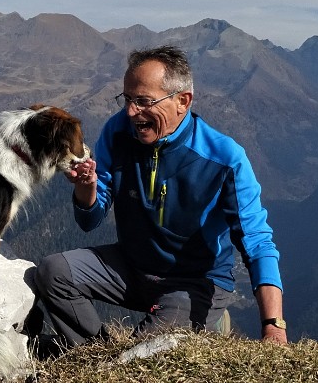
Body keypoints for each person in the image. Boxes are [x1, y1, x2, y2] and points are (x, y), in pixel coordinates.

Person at [32, 45, 287, 349]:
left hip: (193, 281)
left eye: (143, 101)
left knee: (148, 351)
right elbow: (90, 220)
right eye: (127, 99)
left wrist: (273, 325)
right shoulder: (118, 132)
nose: (130, 112)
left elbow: (256, 241)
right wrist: (86, 187)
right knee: (53, 272)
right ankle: (94, 356)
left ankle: (206, 323)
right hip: (132, 266)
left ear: (183, 101)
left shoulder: (224, 159)